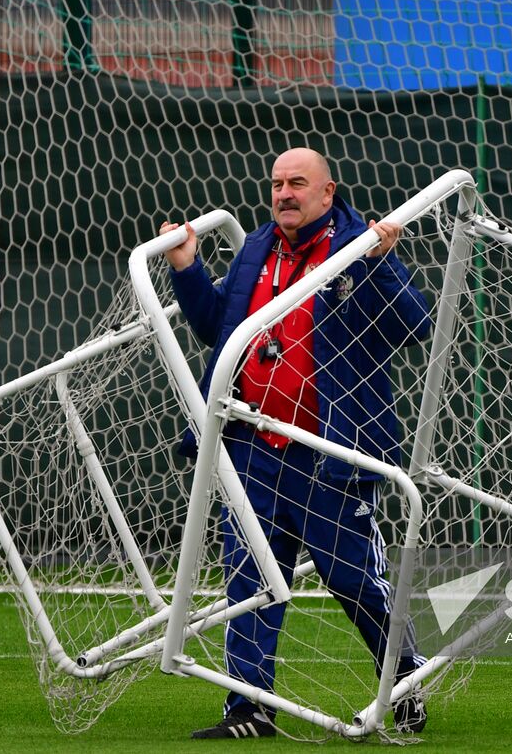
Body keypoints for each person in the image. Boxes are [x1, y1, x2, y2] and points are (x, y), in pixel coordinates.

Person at [160, 147, 431, 740]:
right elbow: (218, 330)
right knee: (250, 580)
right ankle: (249, 708)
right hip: (253, 447)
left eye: (298, 184)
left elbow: (417, 326)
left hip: (329, 452)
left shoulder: (359, 246)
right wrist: (187, 267)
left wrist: (384, 260)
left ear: (327, 193)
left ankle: (406, 679)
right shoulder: (257, 247)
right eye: (278, 183)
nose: (284, 194)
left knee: (355, 579)